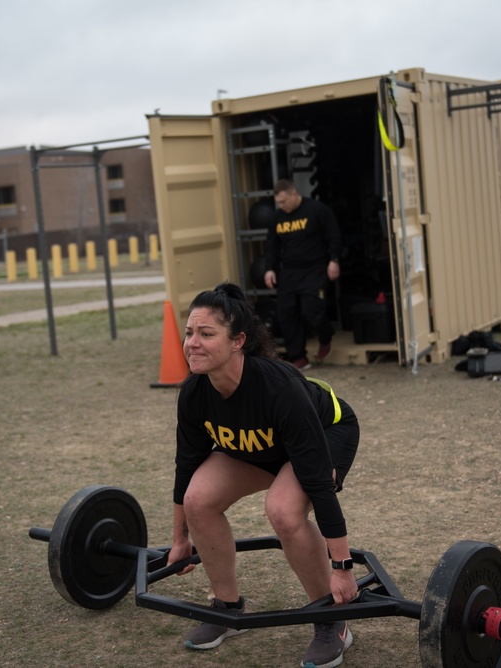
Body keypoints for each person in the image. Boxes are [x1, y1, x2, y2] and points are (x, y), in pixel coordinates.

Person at [167, 282, 360, 668]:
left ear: (238, 341)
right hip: (260, 447)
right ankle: (227, 607)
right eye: (189, 333)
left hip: (327, 432)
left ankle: (330, 618)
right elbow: (186, 467)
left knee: (284, 511)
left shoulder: (278, 387)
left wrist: (342, 568)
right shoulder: (194, 393)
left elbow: (320, 486)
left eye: (207, 334)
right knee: (197, 500)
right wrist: (179, 539)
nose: (193, 343)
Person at [263, 179, 342, 371]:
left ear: (294, 194)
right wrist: (270, 268)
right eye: (278, 203)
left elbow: (334, 236)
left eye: (283, 201)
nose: (281, 206)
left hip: (315, 269)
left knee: (312, 310)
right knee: (286, 313)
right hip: (288, 272)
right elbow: (272, 246)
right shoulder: (277, 218)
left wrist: (334, 260)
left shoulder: (317, 210)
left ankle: (325, 337)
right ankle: (298, 357)